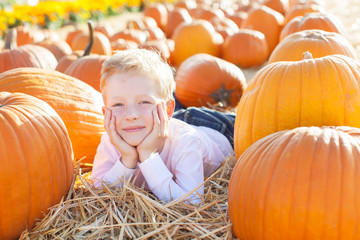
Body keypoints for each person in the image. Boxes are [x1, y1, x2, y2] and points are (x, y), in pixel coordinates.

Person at [91, 49, 235, 204]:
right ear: (106, 113)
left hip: (216, 128)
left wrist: (147, 155)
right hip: (153, 121)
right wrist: (127, 159)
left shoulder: (186, 143)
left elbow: (191, 203)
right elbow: (97, 193)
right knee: (157, 100)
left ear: (167, 110)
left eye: (144, 102)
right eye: (118, 104)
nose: (130, 115)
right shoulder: (110, 140)